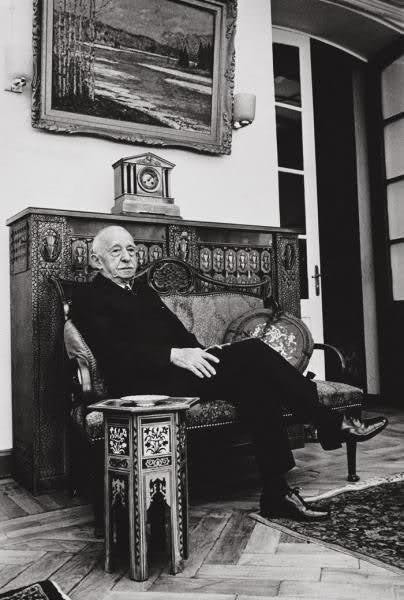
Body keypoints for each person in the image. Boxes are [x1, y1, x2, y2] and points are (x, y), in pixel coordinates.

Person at [74, 226, 387, 522]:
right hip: (140, 386)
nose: (127, 257)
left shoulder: (142, 291)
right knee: (253, 351)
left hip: (177, 375)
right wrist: (174, 355)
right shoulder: (88, 298)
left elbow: (178, 332)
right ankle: (329, 423)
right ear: (97, 260)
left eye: (131, 249)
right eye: (116, 251)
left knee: (256, 384)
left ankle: (277, 493)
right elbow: (115, 354)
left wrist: (203, 353)